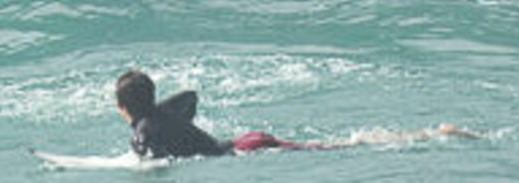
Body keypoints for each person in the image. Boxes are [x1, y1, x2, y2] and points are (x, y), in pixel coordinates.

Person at [114, 70, 476, 159]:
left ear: (122, 107)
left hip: (247, 150)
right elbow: (190, 97)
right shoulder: (164, 115)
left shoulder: (145, 129)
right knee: (338, 145)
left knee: (341, 148)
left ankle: (435, 134)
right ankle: (428, 134)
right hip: (246, 142)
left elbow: (147, 160)